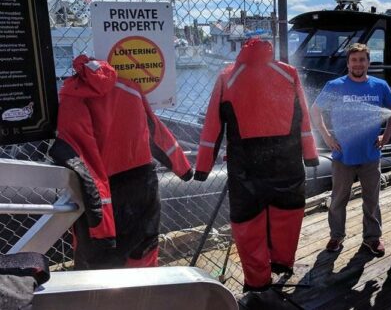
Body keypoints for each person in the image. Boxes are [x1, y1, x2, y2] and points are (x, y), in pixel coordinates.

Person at [194, 38, 319, 292]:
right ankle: (283, 263)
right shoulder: (289, 73)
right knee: (287, 214)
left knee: (248, 223)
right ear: (269, 50)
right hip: (287, 162)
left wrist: (203, 166)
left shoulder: (227, 76)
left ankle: (257, 281)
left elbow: (212, 125)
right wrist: (310, 154)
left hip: (245, 166)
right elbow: (303, 118)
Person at [50, 55, 193, 269]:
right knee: (143, 254)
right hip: (143, 186)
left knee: (99, 264)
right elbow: (155, 130)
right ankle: (144, 298)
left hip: (104, 190)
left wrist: (100, 220)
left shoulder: (71, 97)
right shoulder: (131, 88)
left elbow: (80, 159)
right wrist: (184, 168)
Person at [311, 43, 391, 256]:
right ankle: (336, 236)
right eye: (354, 60)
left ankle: (372, 238)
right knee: (339, 198)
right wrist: (327, 136)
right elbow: (316, 111)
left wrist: (386, 136)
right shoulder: (335, 85)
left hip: (370, 155)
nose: (358, 63)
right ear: (348, 63)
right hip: (343, 155)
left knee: (372, 199)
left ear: (368, 62)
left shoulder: (380, 86)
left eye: (362, 59)